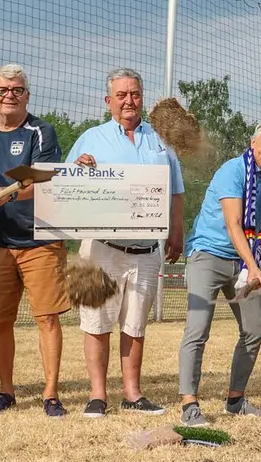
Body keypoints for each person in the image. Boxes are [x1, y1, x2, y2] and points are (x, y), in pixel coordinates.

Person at [66, 68, 186, 418]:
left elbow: (175, 191)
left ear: (142, 97)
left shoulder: (161, 140)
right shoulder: (91, 137)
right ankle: (97, 395)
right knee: (95, 320)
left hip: (147, 250)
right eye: (121, 95)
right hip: (99, 248)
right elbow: (68, 182)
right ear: (108, 102)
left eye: (134, 94)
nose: (129, 101)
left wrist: (176, 233)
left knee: (135, 324)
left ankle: (133, 394)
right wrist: (80, 167)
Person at [0, 64, 71, 417]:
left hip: (40, 241)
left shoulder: (41, 132)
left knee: (47, 319)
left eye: (17, 90)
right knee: (0, 321)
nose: (10, 95)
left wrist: (8, 195)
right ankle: (5, 391)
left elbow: (41, 181)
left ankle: (51, 394)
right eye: (3, 90)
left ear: (27, 94)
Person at [178, 121, 261, 426]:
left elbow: (260, 231)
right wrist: (253, 266)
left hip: (243, 263)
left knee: (255, 329)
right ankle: (189, 404)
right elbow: (233, 225)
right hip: (208, 256)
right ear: (253, 144)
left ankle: (235, 399)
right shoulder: (233, 170)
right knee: (198, 329)